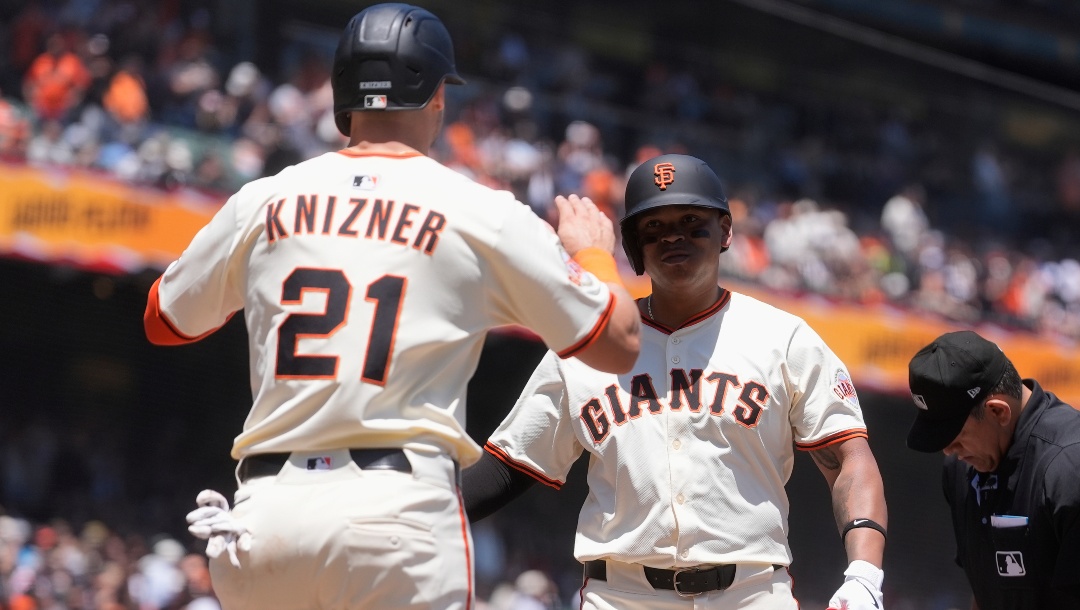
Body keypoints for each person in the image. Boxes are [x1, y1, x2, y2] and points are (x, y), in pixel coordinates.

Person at [144, 4, 641, 609]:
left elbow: (164, 322)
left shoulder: (265, 198)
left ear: (341, 96)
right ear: (436, 97)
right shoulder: (480, 212)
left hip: (262, 522)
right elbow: (617, 344)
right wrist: (593, 256)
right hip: (394, 515)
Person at [463, 153, 888, 610]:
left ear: (725, 230)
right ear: (633, 246)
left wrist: (864, 575)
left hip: (749, 594)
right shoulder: (588, 344)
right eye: (653, 227)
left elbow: (847, 459)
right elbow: (507, 467)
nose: (673, 237)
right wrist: (402, 512)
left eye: (691, 219)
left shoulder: (783, 338)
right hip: (621, 596)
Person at [906, 330, 1080, 610]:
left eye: (955, 435)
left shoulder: (1069, 469)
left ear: (999, 412)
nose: (949, 450)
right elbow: (987, 590)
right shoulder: (960, 469)